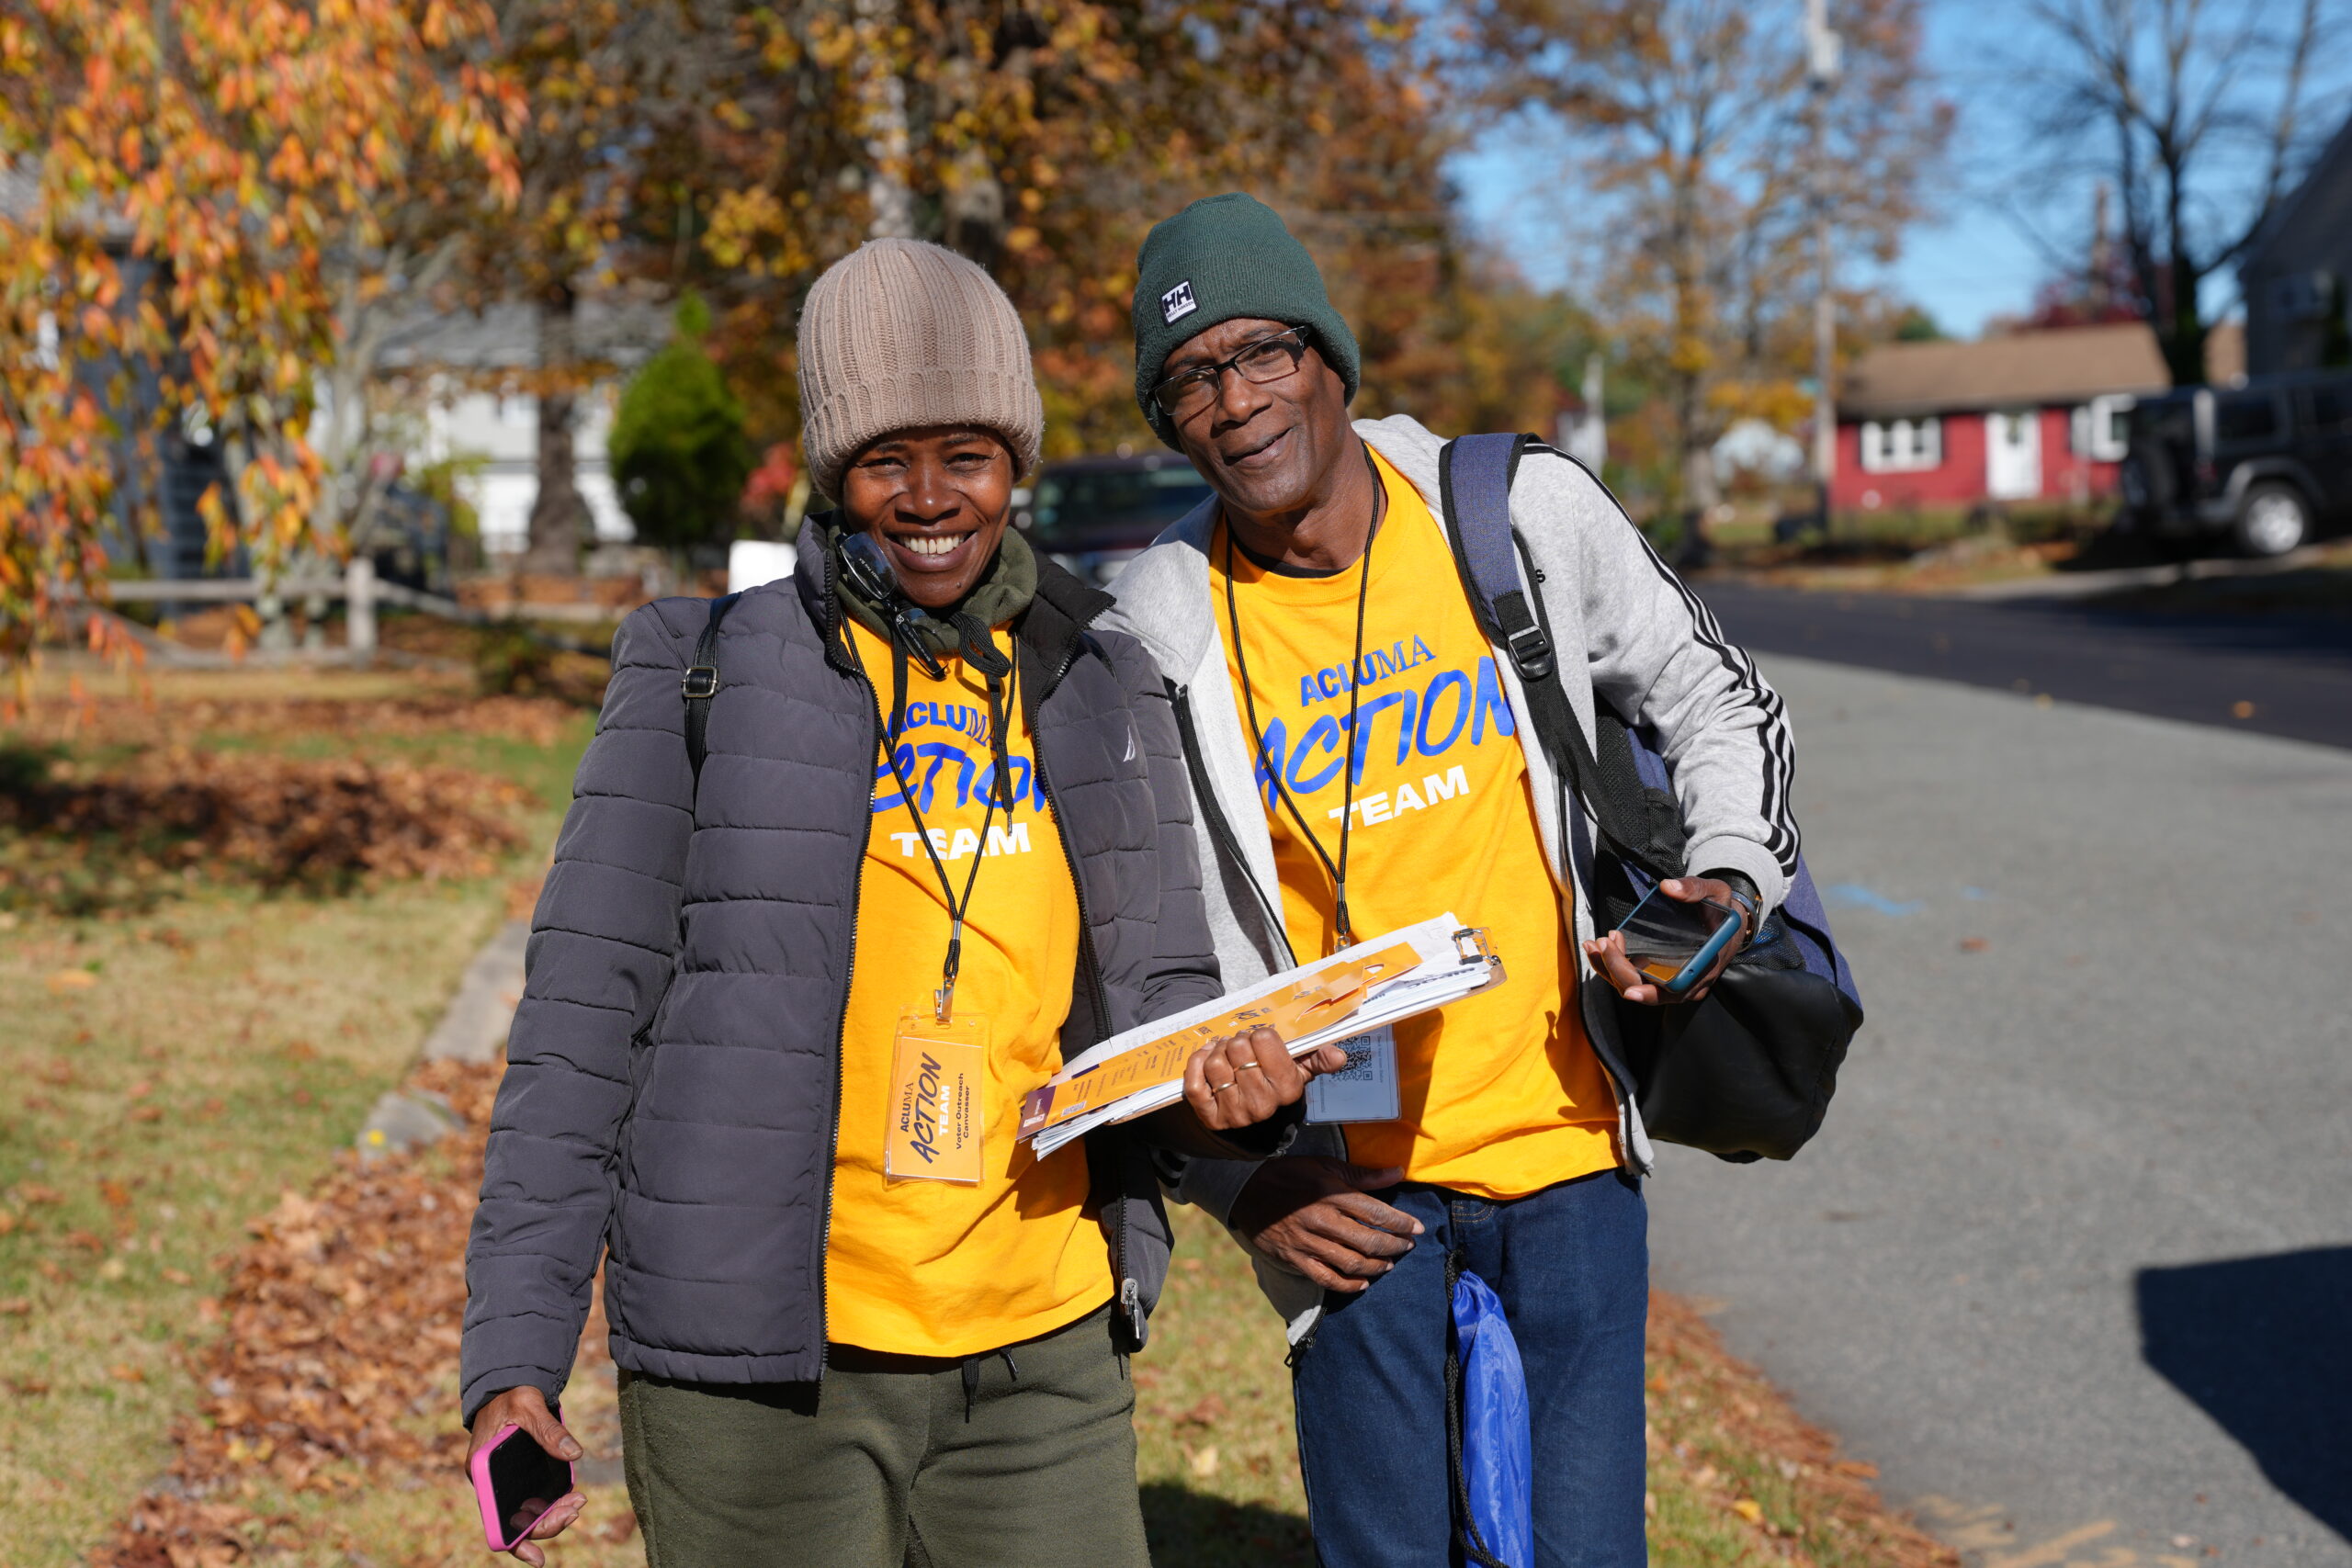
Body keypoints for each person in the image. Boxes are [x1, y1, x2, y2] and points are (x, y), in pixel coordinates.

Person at [459, 237, 1339, 1567]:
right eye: (886, 458)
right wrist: (513, 1355)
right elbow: (581, 1032)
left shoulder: (1103, 675)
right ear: (833, 472)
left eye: (968, 455)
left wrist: (1241, 1096)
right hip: (756, 1387)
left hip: (1040, 1357)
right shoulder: (703, 673)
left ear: (1015, 464)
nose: (930, 498)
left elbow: (1160, 1003)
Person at [1104, 194, 1804, 1568]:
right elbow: (1133, 953)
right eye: (1190, 379)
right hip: (1346, 1197)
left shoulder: (1510, 513)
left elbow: (1719, 700)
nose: (1235, 402)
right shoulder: (1157, 626)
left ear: (1330, 361)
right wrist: (1241, 1186)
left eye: (1261, 355)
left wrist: (1722, 881)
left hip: (1565, 1160)